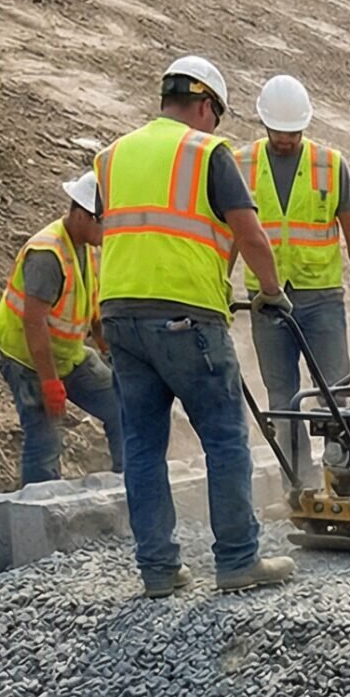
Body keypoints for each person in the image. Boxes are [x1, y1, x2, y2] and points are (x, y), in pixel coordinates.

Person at [94, 54, 297, 598]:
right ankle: (237, 560)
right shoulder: (207, 151)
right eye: (218, 115)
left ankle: (158, 571)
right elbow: (250, 235)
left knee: (142, 447)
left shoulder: (111, 156)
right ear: (207, 106)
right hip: (186, 316)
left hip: (119, 314)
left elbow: (119, 232)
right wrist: (272, 294)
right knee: (225, 437)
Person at [238, 74, 350, 477]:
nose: (285, 140)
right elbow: (231, 233)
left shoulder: (330, 165)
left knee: (335, 390)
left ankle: (343, 473)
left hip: (321, 298)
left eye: (293, 132)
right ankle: (297, 482)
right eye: (278, 132)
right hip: (267, 300)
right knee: (282, 396)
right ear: (264, 124)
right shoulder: (240, 163)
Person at [0, 171, 122, 487]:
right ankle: (40, 513)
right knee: (44, 437)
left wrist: (108, 350)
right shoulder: (47, 255)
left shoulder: (88, 246)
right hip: (25, 358)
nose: (106, 230)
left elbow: (92, 307)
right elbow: (33, 322)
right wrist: (50, 383)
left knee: (122, 408)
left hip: (68, 355)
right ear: (80, 214)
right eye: (102, 221)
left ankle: (130, 489)